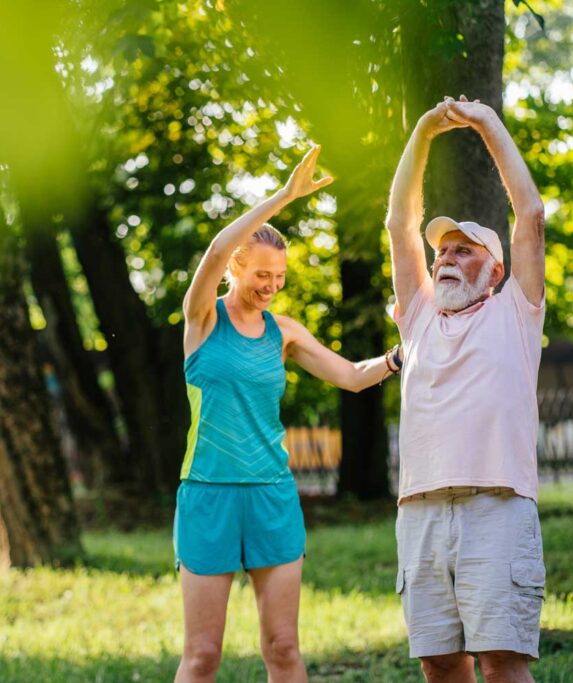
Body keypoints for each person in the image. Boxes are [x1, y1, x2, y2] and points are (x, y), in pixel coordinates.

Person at [175, 145, 400, 682]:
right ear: (235, 268)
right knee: (202, 655)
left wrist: (400, 357)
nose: (272, 286)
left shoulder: (285, 332)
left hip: (272, 495)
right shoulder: (202, 320)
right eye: (261, 275)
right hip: (208, 493)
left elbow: (349, 375)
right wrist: (284, 197)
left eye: (279, 276)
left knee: (283, 648)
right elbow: (211, 250)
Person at [385, 96, 547, 683]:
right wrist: (424, 131)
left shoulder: (516, 314)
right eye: (442, 252)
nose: (446, 258)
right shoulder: (420, 318)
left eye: (463, 250)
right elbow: (400, 224)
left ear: (495, 269)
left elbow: (528, 213)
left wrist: (486, 123)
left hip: (496, 506)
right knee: (440, 663)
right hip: (421, 512)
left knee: (501, 662)